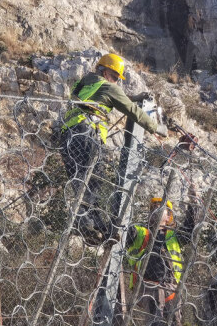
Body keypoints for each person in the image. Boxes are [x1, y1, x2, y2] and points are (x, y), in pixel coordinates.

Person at [59, 53, 168, 243]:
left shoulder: (85, 83)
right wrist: (156, 128)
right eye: (116, 77)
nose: (117, 82)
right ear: (106, 72)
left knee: (80, 182)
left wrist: (134, 97)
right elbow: (131, 110)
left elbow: (112, 97)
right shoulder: (109, 87)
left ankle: (90, 225)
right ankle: (89, 224)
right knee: (95, 180)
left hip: (67, 136)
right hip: (85, 133)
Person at [126, 192, 196, 326]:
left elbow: (190, 229)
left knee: (173, 322)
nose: (156, 210)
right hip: (148, 285)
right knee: (153, 321)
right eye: (154, 209)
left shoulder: (173, 236)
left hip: (170, 286)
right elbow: (129, 233)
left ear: (169, 216)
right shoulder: (142, 233)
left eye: (161, 208)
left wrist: (193, 203)